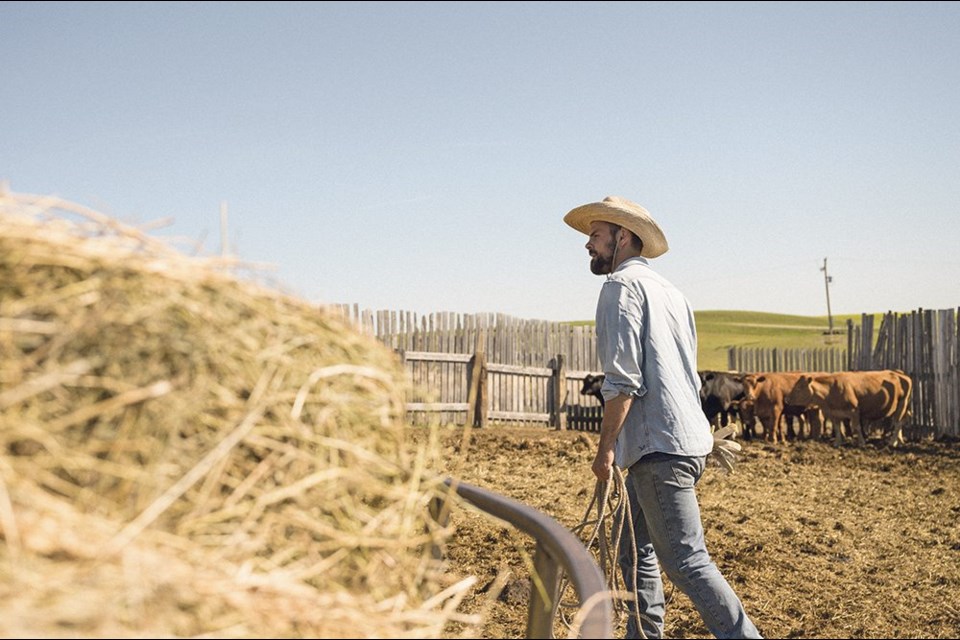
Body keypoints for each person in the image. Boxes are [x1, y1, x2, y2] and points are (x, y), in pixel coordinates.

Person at [563, 196, 761, 639]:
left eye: (595, 235)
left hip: (657, 448)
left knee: (687, 561)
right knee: (635, 552)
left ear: (623, 237)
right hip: (684, 442)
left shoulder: (619, 289)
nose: (588, 245)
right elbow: (687, 374)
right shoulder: (673, 294)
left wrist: (606, 448)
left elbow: (623, 380)